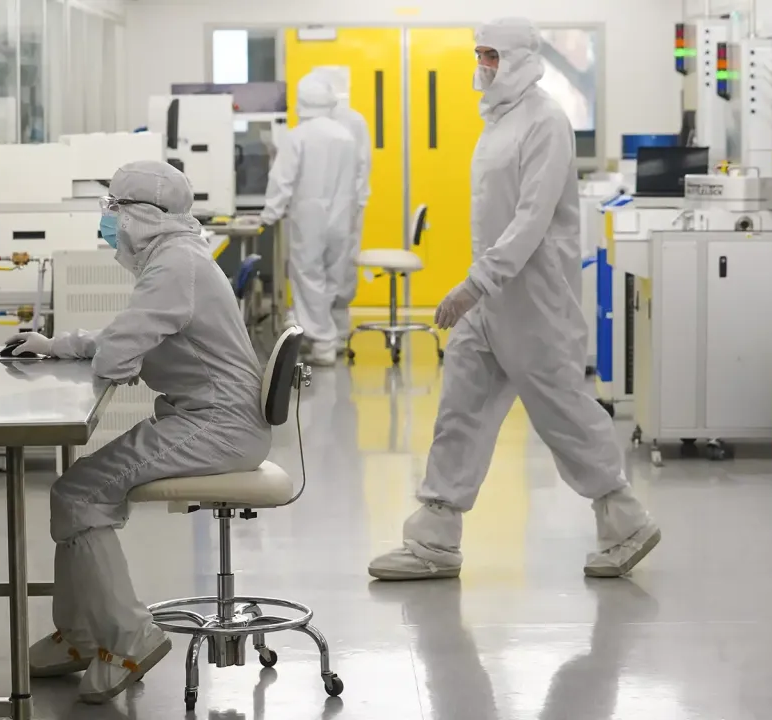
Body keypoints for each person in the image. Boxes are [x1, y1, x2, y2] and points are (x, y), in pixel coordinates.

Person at [367, 18, 660, 582]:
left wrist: (474, 283)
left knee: (563, 413)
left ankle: (624, 519)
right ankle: (434, 536)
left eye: (493, 56)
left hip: (534, 299)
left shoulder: (546, 121)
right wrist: (481, 287)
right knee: (460, 410)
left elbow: (530, 222)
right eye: (479, 55)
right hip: (493, 296)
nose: (484, 66)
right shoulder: (498, 120)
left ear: (523, 57)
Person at [3, 160, 272, 703]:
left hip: (218, 425)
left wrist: (93, 356)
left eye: (114, 210)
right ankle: (80, 635)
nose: (108, 222)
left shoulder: (175, 265)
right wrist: (60, 345)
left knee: (78, 494)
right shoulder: (177, 258)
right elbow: (128, 332)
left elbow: (121, 355)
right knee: (75, 491)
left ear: (143, 217)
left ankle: (128, 636)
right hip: (205, 417)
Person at [261, 73, 358, 366]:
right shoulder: (345, 135)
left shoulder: (299, 136)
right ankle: (337, 334)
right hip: (342, 214)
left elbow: (282, 180)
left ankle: (323, 343)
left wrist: (269, 213)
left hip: (309, 216)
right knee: (334, 274)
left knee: (308, 276)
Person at [313, 67, 373, 350]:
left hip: (345, 205)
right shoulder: (311, 123)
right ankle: (318, 332)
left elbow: (362, 165)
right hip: (314, 207)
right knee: (316, 267)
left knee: (340, 267)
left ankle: (336, 333)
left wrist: (355, 202)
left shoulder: (353, 122)